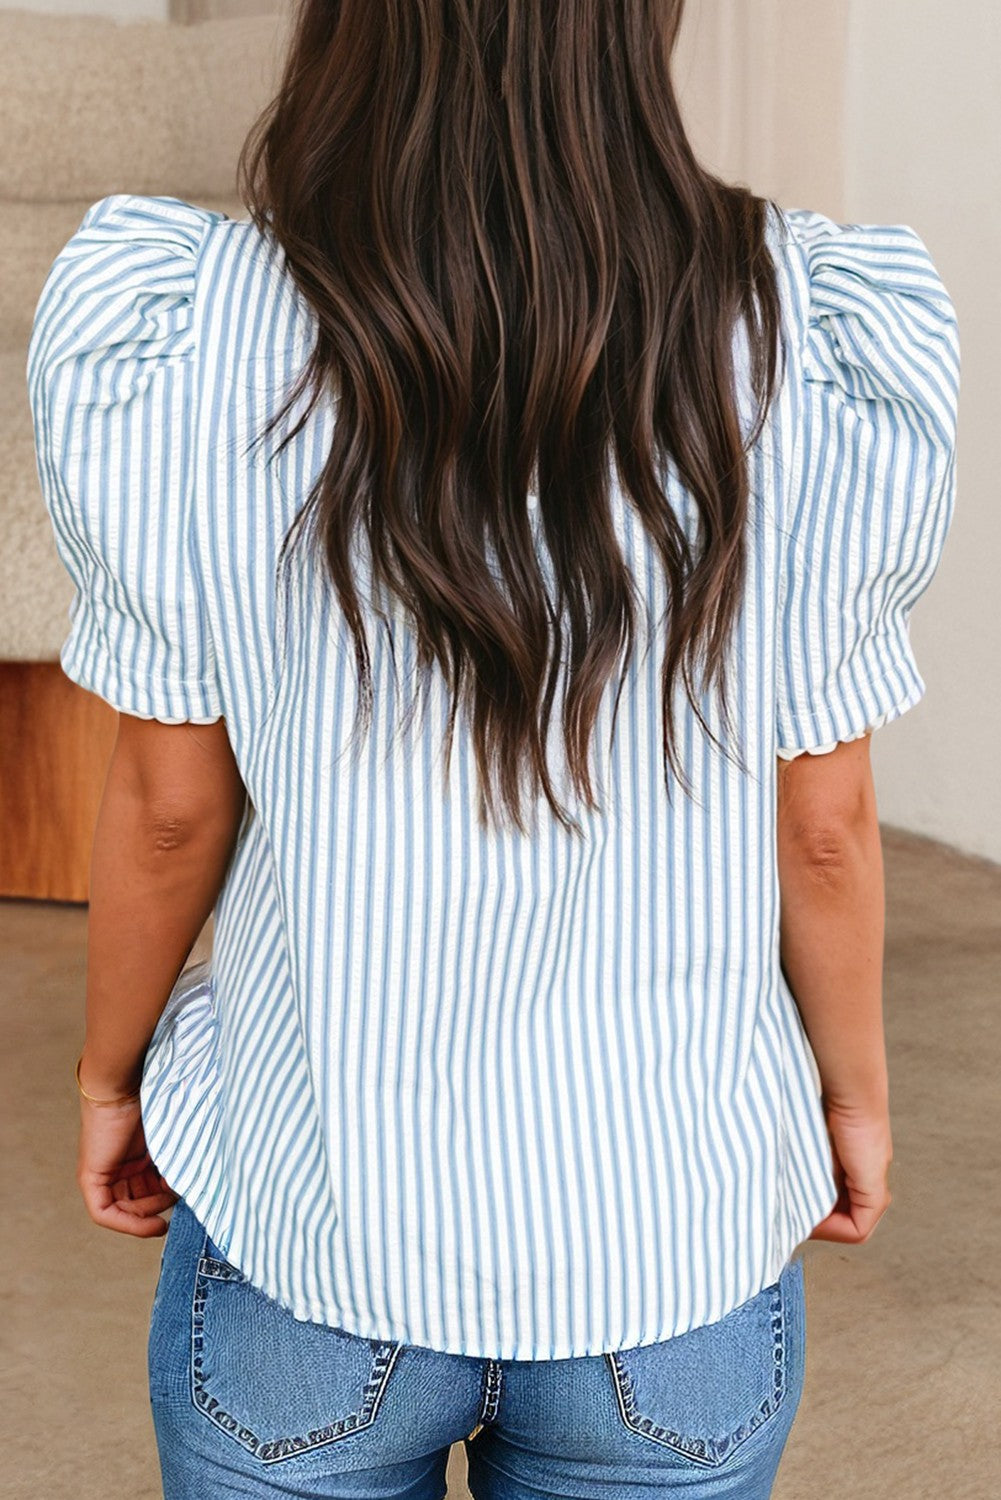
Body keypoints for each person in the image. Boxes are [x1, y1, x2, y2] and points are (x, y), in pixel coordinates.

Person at [27, 1, 959, 1496]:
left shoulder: (196, 324)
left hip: (314, 1232)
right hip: (667, 1261)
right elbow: (825, 827)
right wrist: (848, 1100)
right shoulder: (802, 325)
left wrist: (108, 1077)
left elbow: (166, 810)